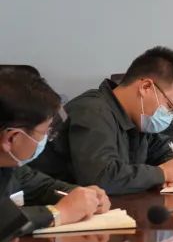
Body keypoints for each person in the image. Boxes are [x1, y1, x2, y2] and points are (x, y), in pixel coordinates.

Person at [34, 47, 173, 195]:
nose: (170, 116)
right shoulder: (93, 111)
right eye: (170, 107)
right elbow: (101, 178)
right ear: (146, 87)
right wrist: (162, 174)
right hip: (49, 208)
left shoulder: (139, 120)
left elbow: (168, 149)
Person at [0, 67, 110, 231]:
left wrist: (82, 195)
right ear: (12, 138)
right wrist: (58, 213)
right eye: (45, 132)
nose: (46, 139)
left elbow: (43, 187)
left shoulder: (11, 166)